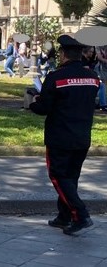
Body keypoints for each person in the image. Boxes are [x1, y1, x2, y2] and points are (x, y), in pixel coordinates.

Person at [29, 34, 100, 235]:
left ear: (63, 54)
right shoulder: (93, 78)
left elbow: (43, 107)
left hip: (60, 136)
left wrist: (34, 101)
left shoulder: (56, 77)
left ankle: (81, 214)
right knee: (71, 177)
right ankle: (65, 216)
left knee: (59, 176)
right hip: (82, 135)